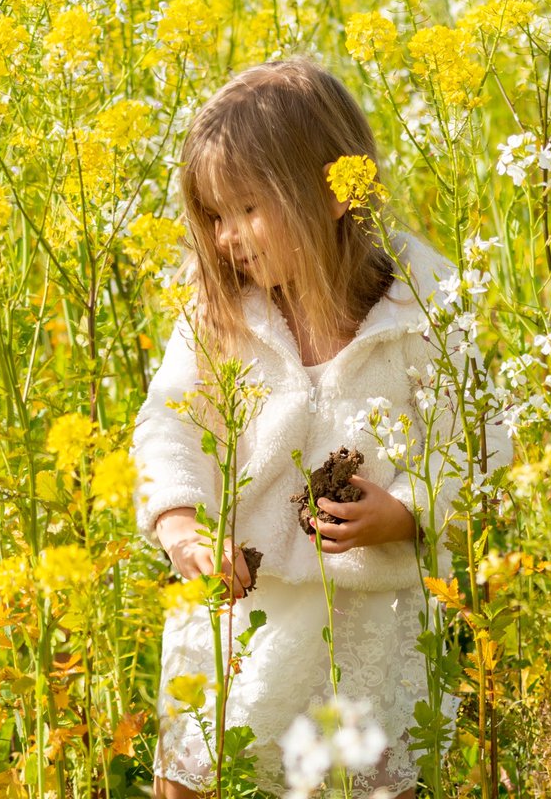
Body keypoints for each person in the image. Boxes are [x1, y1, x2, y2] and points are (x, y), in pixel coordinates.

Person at [131, 57, 509, 799]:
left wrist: (408, 514)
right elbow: (166, 426)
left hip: (368, 626)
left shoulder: (421, 306)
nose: (229, 236)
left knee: (370, 783)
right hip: (238, 616)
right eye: (213, 216)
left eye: (248, 208)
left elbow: (483, 439)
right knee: (200, 776)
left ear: (335, 193)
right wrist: (181, 526)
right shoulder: (219, 314)